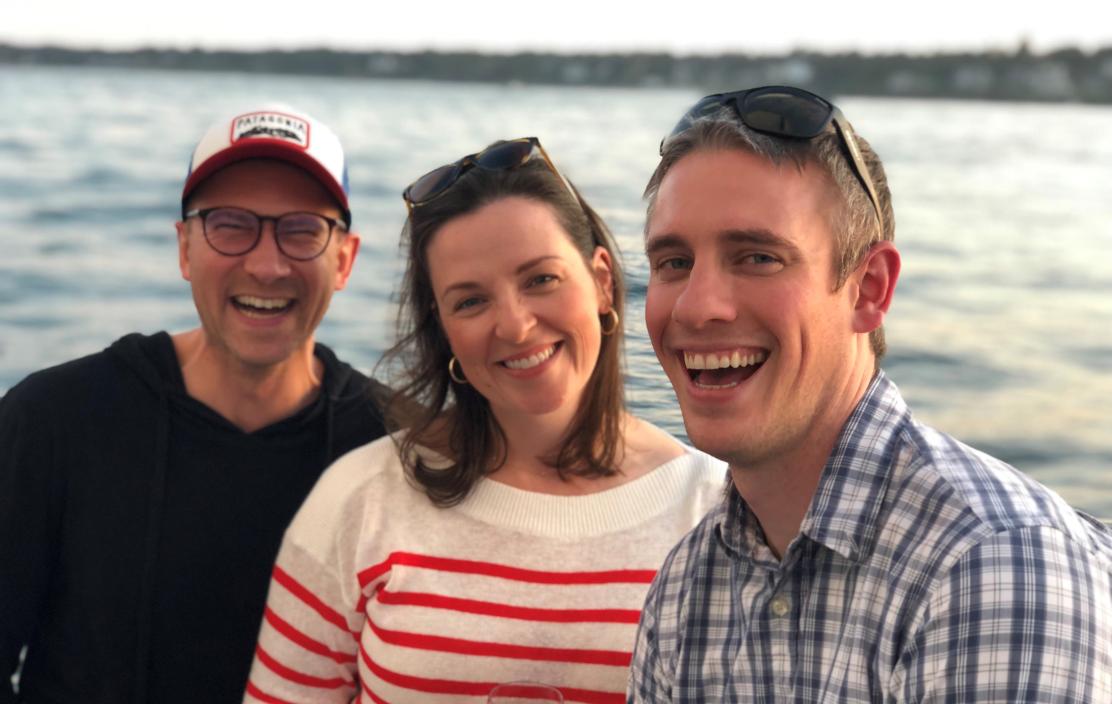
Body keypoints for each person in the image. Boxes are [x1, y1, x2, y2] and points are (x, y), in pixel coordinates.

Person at [627, 86, 1112, 701]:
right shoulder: (687, 587)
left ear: (868, 291)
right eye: (673, 262)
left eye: (756, 256)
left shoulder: (995, 568)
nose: (697, 307)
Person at [244, 137, 727, 703]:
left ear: (600, 280)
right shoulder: (361, 498)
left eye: (540, 279)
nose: (516, 326)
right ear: (443, 326)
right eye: (471, 301)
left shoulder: (711, 509)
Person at [0, 104, 390, 704]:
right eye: (230, 225)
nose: (266, 264)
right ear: (184, 248)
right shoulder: (53, 422)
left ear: (344, 259)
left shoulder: (393, 449)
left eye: (302, 229)